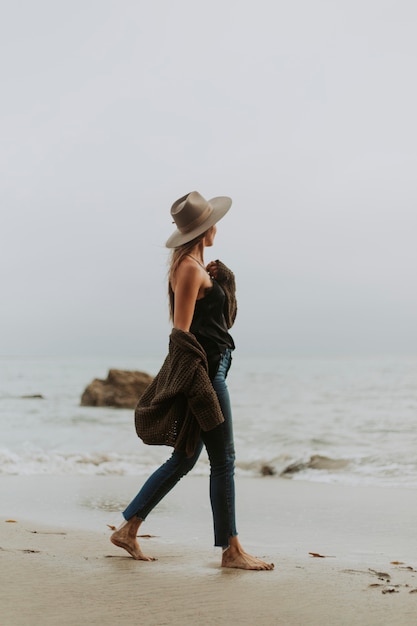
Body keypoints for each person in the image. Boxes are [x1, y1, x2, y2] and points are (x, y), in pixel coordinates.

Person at [110, 191, 274, 570]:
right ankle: (231, 551)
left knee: (184, 458)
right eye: (213, 222)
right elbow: (181, 334)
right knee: (224, 460)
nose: (217, 226)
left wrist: (226, 282)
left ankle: (128, 529)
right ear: (203, 229)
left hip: (211, 371)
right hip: (204, 376)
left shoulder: (200, 268)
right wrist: (198, 386)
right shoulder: (187, 268)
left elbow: (222, 323)